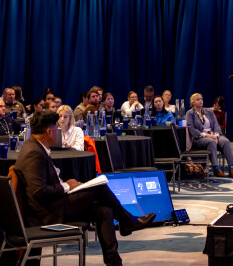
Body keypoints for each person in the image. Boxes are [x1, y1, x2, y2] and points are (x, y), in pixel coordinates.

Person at [14, 111, 156, 266]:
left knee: (104, 211)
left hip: (55, 205)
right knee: (100, 188)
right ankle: (128, 221)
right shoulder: (34, 153)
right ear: (49, 131)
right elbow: (39, 192)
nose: (58, 132)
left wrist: (67, 186)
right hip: (49, 213)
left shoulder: (35, 147)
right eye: (56, 129)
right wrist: (67, 186)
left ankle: (114, 262)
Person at [186, 93, 233, 178]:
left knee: (225, 141)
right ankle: (216, 168)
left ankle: (231, 168)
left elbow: (216, 125)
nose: (200, 101)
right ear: (193, 102)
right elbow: (192, 129)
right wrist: (209, 136)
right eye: (198, 99)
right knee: (211, 142)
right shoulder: (190, 113)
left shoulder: (208, 111)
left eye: (201, 99)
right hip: (199, 138)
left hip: (213, 135)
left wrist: (216, 135)